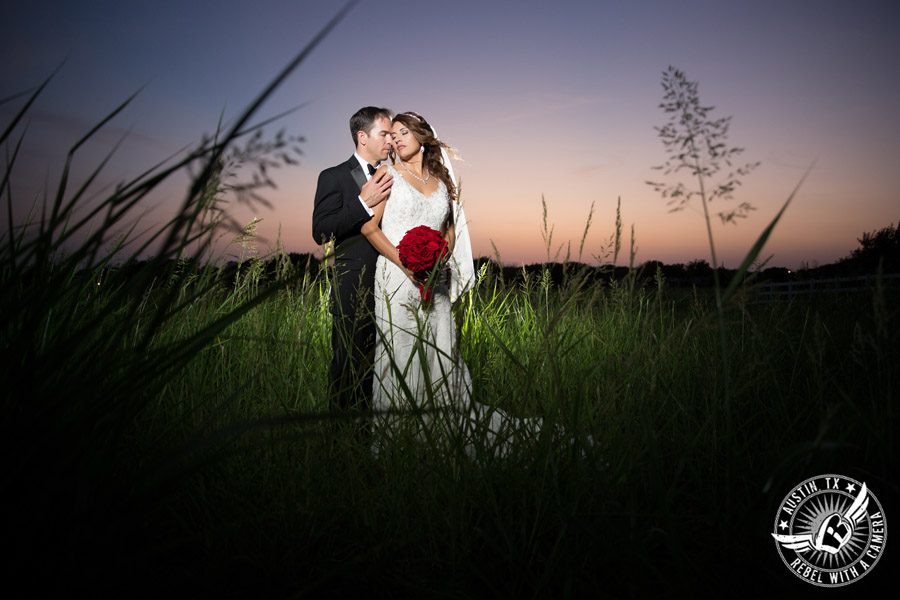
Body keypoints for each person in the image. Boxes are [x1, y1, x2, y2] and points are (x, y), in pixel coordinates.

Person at [360, 112, 536, 457]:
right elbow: (369, 228)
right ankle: (399, 440)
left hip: (435, 282)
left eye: (403, 132)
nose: (396, 139)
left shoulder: (441, 182)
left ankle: (440, 430)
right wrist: (405, 261)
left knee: (441, 351)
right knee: (400, 355)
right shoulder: (388, 174)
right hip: (396, 278)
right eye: (392, 135)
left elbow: (449, 230)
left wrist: (440, 257)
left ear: (423, 137)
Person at [312, 107, 394, 411]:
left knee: (385, 370)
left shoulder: (393, 175)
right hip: (354, 288)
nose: (390, 141)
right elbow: (320, 231)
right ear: (363, 136)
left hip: (393, 285)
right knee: (348, 367)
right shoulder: (333, 177)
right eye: (383, 134)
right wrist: (363, 203)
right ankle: (342, 443)